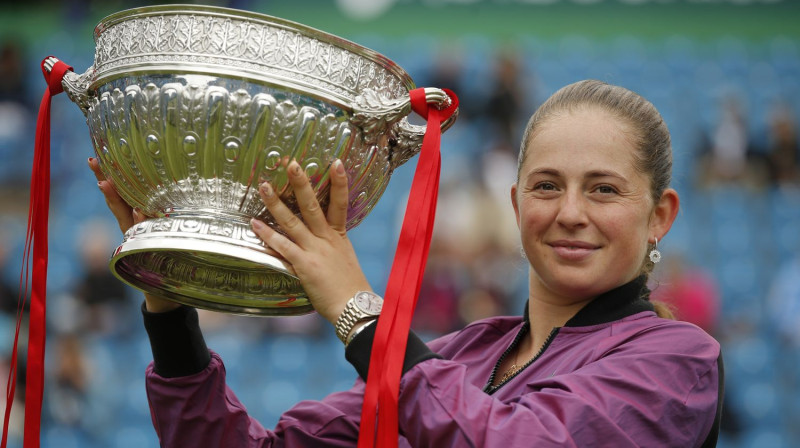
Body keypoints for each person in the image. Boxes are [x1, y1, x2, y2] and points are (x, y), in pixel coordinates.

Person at [88, 79, 723, 447]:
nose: (571, 212)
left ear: (660, 215)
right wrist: (168, 298)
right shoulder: (460, 355)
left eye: (604, 189)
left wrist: (362, 318)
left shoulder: (678, 363)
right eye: (547, 185)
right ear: (516, 202)